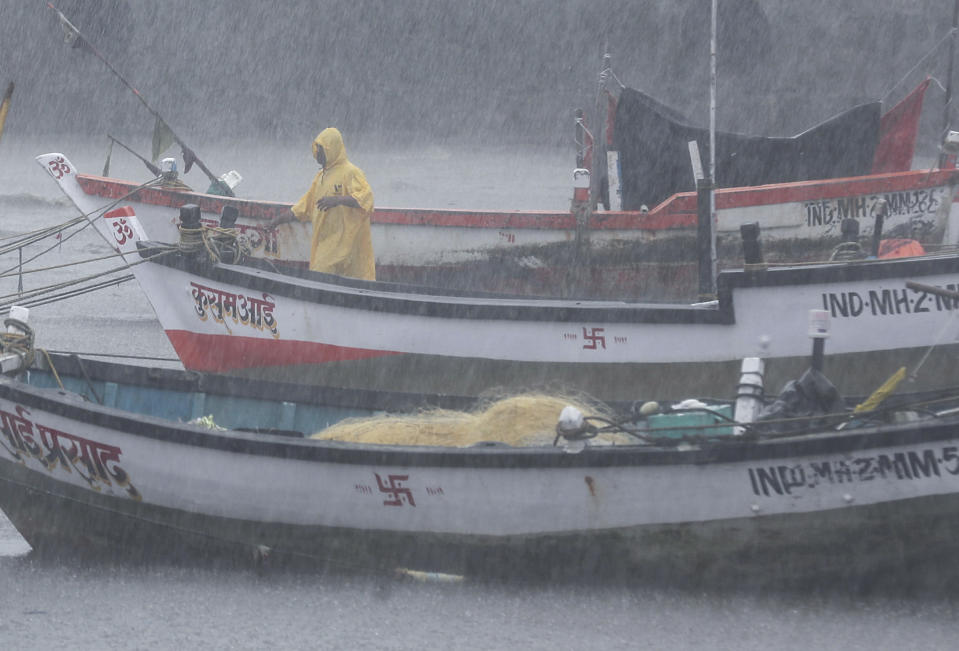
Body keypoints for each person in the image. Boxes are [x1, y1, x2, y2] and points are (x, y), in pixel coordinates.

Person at [270, 127, 375, 280]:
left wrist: (337, 200)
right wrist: (276, 221)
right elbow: (304, 207)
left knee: (345, 282)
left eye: (321, 149)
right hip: (327, 244)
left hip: (349, 245)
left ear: (332, 149)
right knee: (321, 277)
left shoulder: (351, 172)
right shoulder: (320, 177)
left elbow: (367, 198)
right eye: (316, 148)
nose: (317, 153)